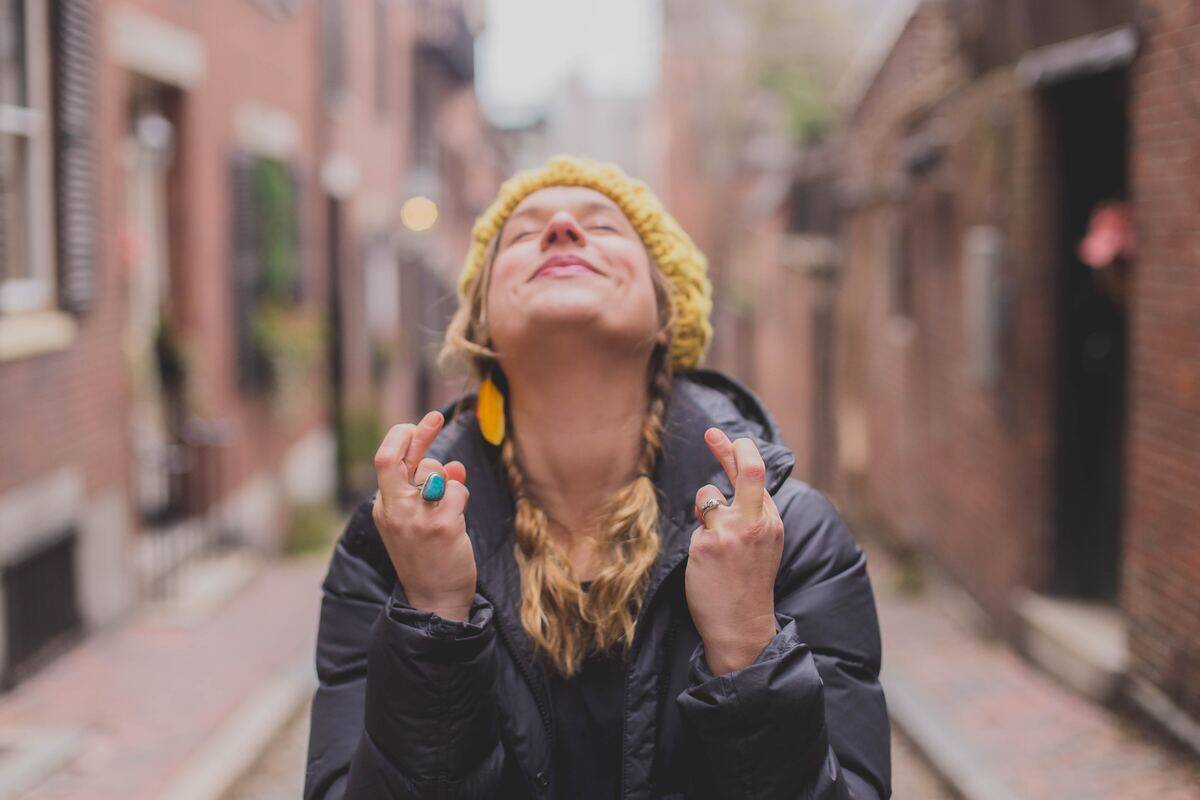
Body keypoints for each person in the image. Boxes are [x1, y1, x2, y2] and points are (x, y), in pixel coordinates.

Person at [303, 155, 891, 799]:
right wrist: (433, 618)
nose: (560, 225)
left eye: (604, 227)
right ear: (481, 327)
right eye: (523, 234)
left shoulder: (789, 537)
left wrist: (749, 645)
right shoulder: (388, 547)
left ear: (669, 314)